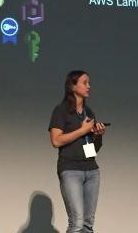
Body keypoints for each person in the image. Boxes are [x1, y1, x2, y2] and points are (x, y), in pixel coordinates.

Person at [48, 70, 106, 233]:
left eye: (89, 83)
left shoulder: (89, 113)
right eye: (85, 83)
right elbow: (56, 141)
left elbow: (91, 151)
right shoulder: (61, 111)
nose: (89, 86)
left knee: (88, 224)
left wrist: (98, 135)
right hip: (70, 170)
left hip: (92, 171)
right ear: (72, 86)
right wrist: (82, 130)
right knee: (77, 223)